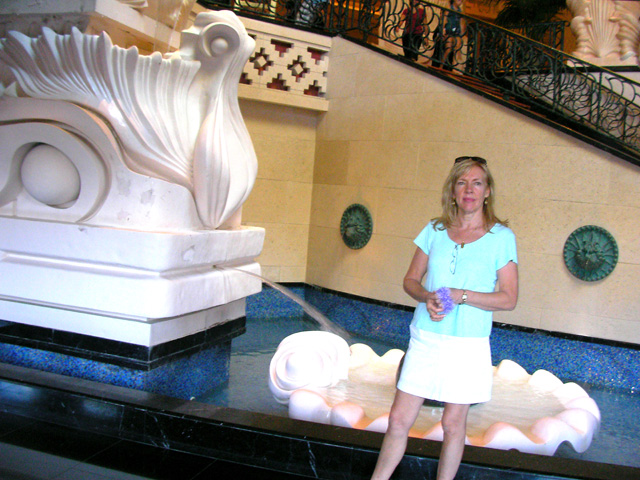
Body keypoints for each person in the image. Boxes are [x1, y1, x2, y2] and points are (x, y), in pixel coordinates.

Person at [371, 156, 519, 480]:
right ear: (452, 191)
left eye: (476, 183)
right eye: (461, 183)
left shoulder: (501, 237)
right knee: (398, 420)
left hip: (468, 344)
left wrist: (460, 295)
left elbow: (509, 298)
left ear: (487, 191)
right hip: (426, 337)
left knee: (453, 424)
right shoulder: (434, 230)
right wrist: (427, 296)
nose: (469, 190)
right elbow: (410, 280)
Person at [442, 0, 465, 69]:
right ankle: (441, 65)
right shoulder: (449, 7)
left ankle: (453, 67)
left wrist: (462, 35)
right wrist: (443, 29)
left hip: (456, 32)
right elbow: (445, 18)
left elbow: (461, 24)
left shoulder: (460, 11)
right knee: (448, 49)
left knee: (457, 49)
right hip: (449, 31)